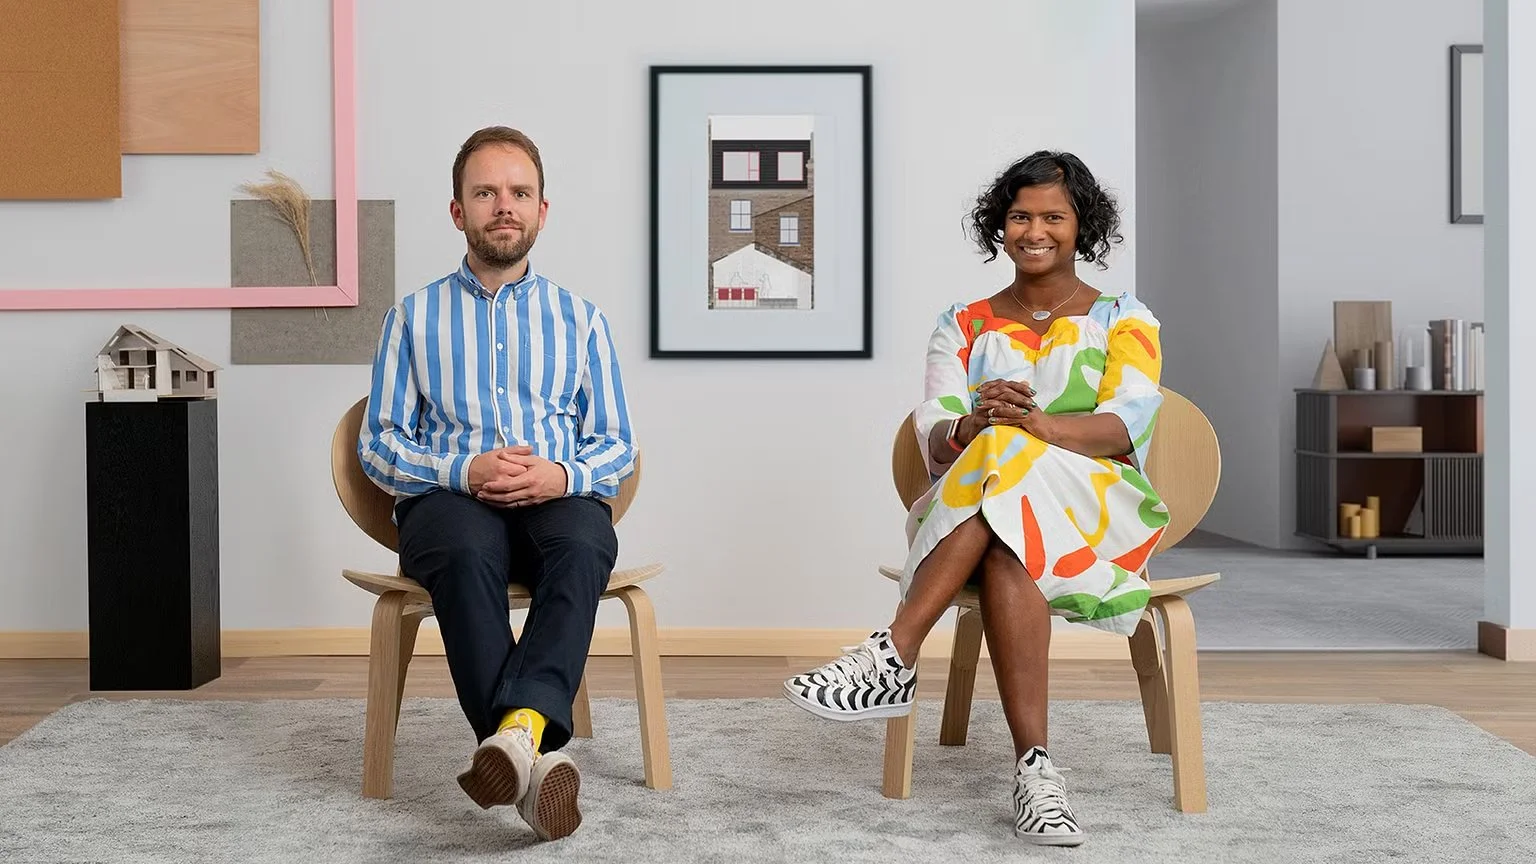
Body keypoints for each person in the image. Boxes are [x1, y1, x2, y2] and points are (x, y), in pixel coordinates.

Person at [783, 151, 1167, 847]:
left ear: (1083, 226)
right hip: (984, 512)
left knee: (1008, 455)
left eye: (1054, 215)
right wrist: (975, 424)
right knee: (1003, 511)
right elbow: (934, 428)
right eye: (1021, 215)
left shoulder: (1124, 318)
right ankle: (1036, 775)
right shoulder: (962, 323)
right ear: (1001, 224)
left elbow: (1124, 426)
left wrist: (1035, 426)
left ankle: (894, 653)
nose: (1035, 230)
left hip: (1094, 507)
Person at [357, 126, 635, 842]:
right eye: (485, 193)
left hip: (555, 502)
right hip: (450, 505)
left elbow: (617, 444)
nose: (503, 206)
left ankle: (514, 741)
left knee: (584, 538)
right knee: (463, 549)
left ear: (544, 209)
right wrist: (461, 469)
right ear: (458, 212)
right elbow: (379, 445)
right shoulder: (412, 318)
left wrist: (561, 473)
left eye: (519, 193)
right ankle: (537, 755)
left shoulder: (583, 322)